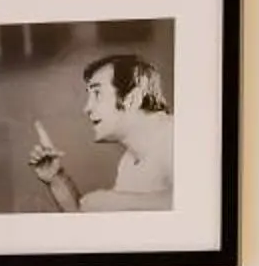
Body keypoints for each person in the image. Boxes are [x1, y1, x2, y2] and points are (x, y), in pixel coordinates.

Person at [29, 54, 174, 213]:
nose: (86, 108)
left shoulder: (175, 135)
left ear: (132, 99)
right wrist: (55, 177)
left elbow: (190, 204)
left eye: (97, 93)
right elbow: (86, 217)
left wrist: (116, 202)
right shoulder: (129, 162)